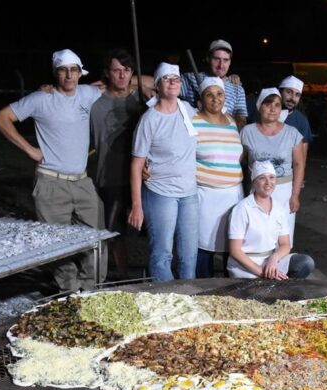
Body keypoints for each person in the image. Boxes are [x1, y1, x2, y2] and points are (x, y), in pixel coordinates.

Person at [0, 49, 103, 292]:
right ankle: (69, 292)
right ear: (55, 73)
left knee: (93, 239)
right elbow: (1, 118)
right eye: (63, 70)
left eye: (74, 70)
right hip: (51, 182)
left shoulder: (88, 93)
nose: (69, 76)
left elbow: (126, 83)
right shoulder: (40, 99)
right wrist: (30, 150)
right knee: (59, 242)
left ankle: (91, 289)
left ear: (80, 73)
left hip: (82, 181)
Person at [128, 63, 199, 281]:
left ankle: (189, 299)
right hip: (161, 193)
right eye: (166, 79)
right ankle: (165, 300)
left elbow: (215, 103)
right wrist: (137, 206)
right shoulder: (150, 119)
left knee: (189, 254)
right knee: (162, 254)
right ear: (157, 85)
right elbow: (136, 165)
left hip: (189, 193)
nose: (172, 82)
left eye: (175, 79)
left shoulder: (187, 109)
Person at [89, 49, 148, 280]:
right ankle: (123, 276)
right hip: (110, 175)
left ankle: (148, 272)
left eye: (127, 71)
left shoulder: (141, 100)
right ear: (107, 73)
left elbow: (155, 80)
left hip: (142, 177)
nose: (122, 76)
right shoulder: (95, 102)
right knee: (114, 231)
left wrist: (135, 80)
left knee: (146, 229)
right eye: (116, 71)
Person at [227, 160, 315, 279]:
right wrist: (263, 273)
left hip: (269, 262)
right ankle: (274, 286)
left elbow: (285, 244)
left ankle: (277, 287)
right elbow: (235, 251)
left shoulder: (278, 208)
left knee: (305, 263)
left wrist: (274, 259)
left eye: (272, 177)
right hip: (246, 266)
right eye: (262, 178)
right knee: (262, 291)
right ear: (254, 182)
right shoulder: (242, 209)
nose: (268, 182)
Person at [192, 77, 244, 277]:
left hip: (232, 195)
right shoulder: (193, 120)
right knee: (203, 247)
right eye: (209, 94)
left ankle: (227, 290)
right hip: (205, 195)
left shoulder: (231, 121)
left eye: (219, 94)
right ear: (201, 98)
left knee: (230, 246)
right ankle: (203, 289)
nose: (215, 99)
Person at [240, 88, 305, 246]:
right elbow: (239, 161)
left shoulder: (292, 133)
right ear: (259, 106)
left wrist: (295, 195)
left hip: (284, 191)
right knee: (259, 235)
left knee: (283, 236)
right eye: (268, 104)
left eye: (277, 104)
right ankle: (258, 269)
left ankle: (281, 269)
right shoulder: (247, 132)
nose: (273, 108)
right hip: (258, 191)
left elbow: (299, 164)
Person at [180, 39, 248, 128]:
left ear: (230, 62)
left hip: (223, 137)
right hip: (195, 136)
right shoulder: (190, 78)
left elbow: (242, 122)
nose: (221, 65)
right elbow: (164, 90)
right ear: (208, 58)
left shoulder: (237, 88)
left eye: (226, 60)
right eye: (217, 59)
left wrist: (221, 115)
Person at [277, 75, 314, 161]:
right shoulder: (266, 115)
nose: (293, 98)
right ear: (280, 92)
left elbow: (302, 158)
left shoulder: (302, 121)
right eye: (289, 92)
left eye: (297, 95)